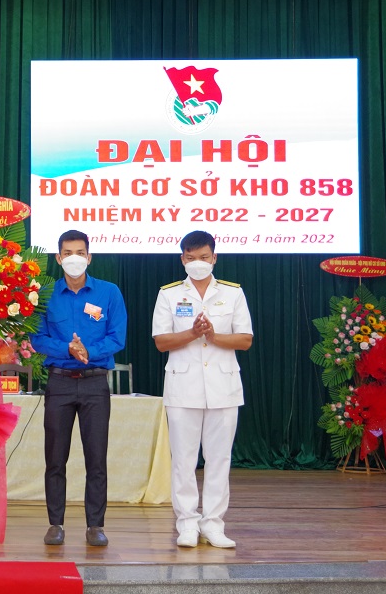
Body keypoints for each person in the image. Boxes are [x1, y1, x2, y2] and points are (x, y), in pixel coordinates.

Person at [151, 230, 253, 549]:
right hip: (183, 387)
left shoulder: (233, 293)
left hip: (223, 387)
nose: (198, 263)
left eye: (204, 257)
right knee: (183, 460)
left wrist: (213, 336)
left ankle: (213, 524)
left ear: (214, 257)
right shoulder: (169, 294)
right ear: (183, 259)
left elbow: (245, 339)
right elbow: (161, 341)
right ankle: (186, 523)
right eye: (191, 258)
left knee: (219, 459)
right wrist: (193, 333)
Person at [30, 229, 127, 547]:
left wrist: (89, 352)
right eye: (68, 253)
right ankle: (55, 524)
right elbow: (37, 339)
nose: (75, 258)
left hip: (95, 383)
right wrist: (68, 349)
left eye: (80, 252)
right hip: (59, 382)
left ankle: (95, 525)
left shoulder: (109, 292)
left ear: (89, 256)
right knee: (55, 458)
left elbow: (117, 337)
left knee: (96, 458)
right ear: (58, 258)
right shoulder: (45, 295)